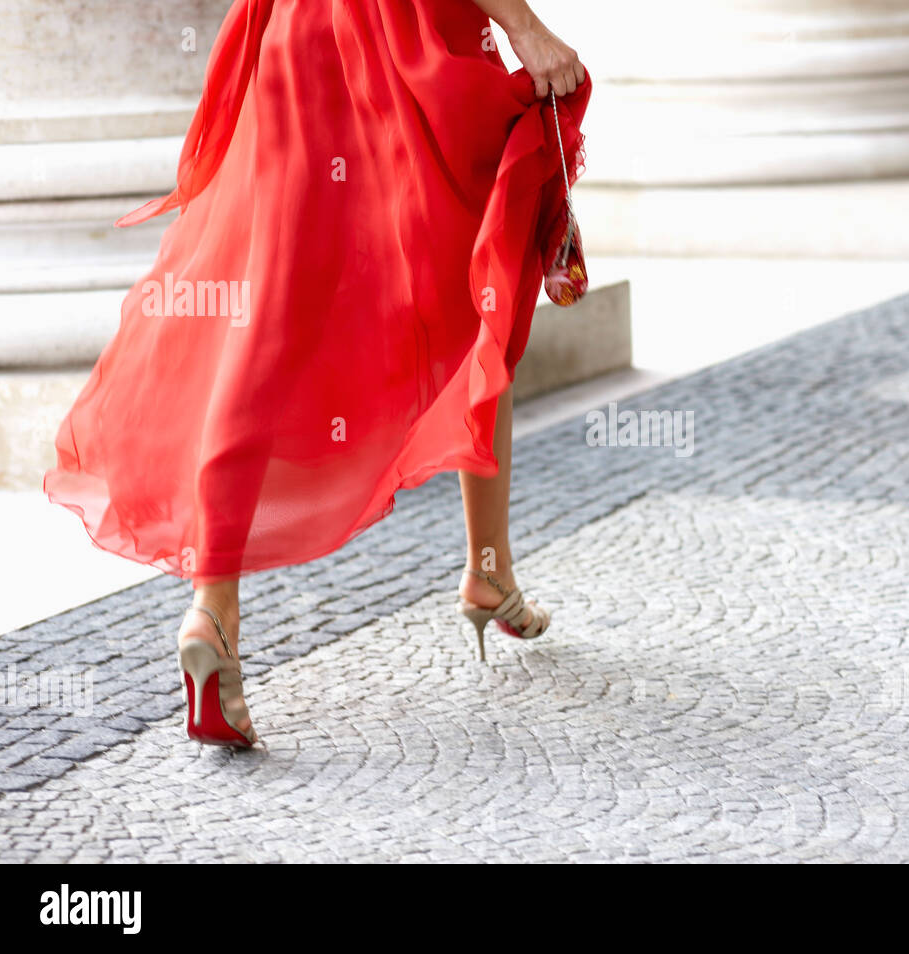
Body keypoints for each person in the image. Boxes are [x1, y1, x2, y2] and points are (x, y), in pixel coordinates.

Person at [42, 0, 590, 747]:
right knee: (479, 296)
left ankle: (214, 609)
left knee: (268, 317)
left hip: (291, 38)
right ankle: (488, 571)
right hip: (409, 45)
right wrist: (526, 26)